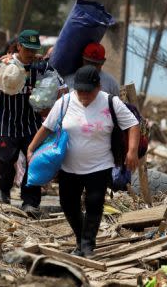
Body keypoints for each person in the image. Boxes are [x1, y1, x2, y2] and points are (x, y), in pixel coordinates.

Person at [28, 65, 140, 257]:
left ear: (98, 87)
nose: (84, 95)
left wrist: (132, 151)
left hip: (100, 165)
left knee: (94, 203)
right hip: (68, 166)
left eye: (89, 91)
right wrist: (31, 148)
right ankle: (81, 238)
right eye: (80, 91)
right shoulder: (65, 102)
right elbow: (47, 127)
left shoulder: (110, 102)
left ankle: (87, 246)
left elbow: (133, 124)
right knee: (68, 204)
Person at [0, 29, 64, 216]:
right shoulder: (5, 64)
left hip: (31, 124)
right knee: (6, 160)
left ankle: (30, 201)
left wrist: (50, 106)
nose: (30, 53)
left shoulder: (41, 67)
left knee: (33, 161)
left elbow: (62, 85)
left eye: (33, 49)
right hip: (7, 122)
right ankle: (4, 190)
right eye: (26, 49)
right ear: (19, 46)